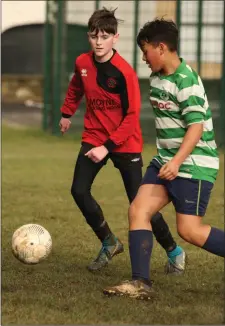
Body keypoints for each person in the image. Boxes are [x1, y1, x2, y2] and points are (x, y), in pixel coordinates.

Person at [103, 17, 225, 300]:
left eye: (145, 51)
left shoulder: (187, 80)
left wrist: (177, 162)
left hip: (193, 164)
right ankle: (140, 282)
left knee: (190, 231)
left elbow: (196, 127)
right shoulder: (157, 78)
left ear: (161, 48)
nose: (143, 58)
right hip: (166, 160)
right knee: (138, 210)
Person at [59, 9, 186, 273]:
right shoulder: (82, 63)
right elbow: (75, 88)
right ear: (88, 37)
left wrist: (108, 146)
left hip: (125, 143)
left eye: (104, 36)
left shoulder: (124, 72)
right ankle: (109, 242)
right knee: (78, 191)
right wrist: (66, 113)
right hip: (94, 137)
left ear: (115, 38)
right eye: (94, 36)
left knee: (139, 205)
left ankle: (173, 250)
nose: (98, 42)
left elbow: (131, 116)